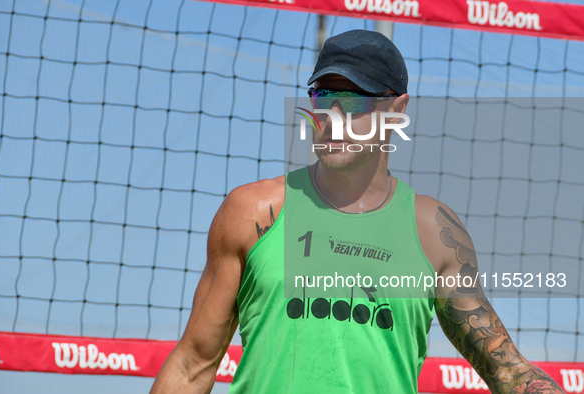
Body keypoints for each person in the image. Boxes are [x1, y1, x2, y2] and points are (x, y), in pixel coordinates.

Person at [150, 29, 564, 393]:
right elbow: (191, 367)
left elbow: (507, 371)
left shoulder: (433, 231)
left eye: (350, 101)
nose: (331, 117)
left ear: (396, 111)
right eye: (321, 96)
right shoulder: (253, 212)